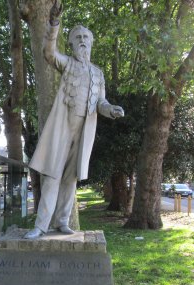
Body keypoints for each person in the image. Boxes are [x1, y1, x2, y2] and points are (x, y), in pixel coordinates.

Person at [24, 1, 125, 239]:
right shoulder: (66, 63)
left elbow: (101, 102)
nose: (82, 40)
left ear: (91, 43)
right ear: (70, 43)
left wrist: (111, 110)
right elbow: (48, 53)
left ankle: (61, 222)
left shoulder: (98, 73)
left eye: (86, 37)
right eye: (77, 37)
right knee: (51, 175)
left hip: (84, 131)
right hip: (62, 128)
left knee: (70, 178)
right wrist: (54, 24)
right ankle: (40, 226)